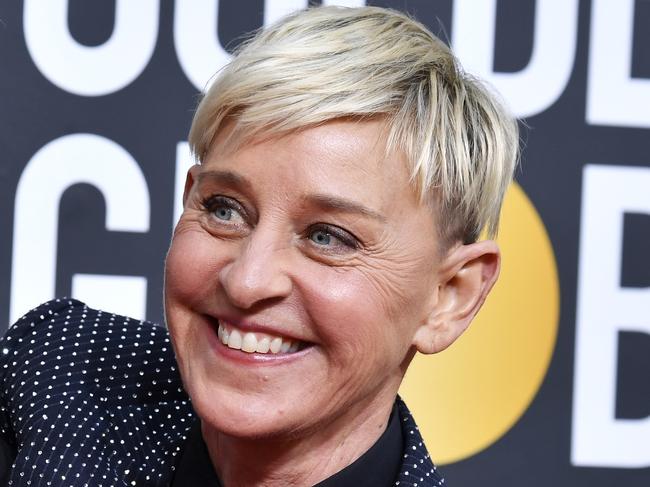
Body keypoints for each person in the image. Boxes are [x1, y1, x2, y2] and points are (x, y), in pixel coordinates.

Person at [0, 5, 518, 486]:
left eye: (328, 238)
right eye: (224, 209)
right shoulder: (61, 375)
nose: (247, 281)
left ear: (449, 295)